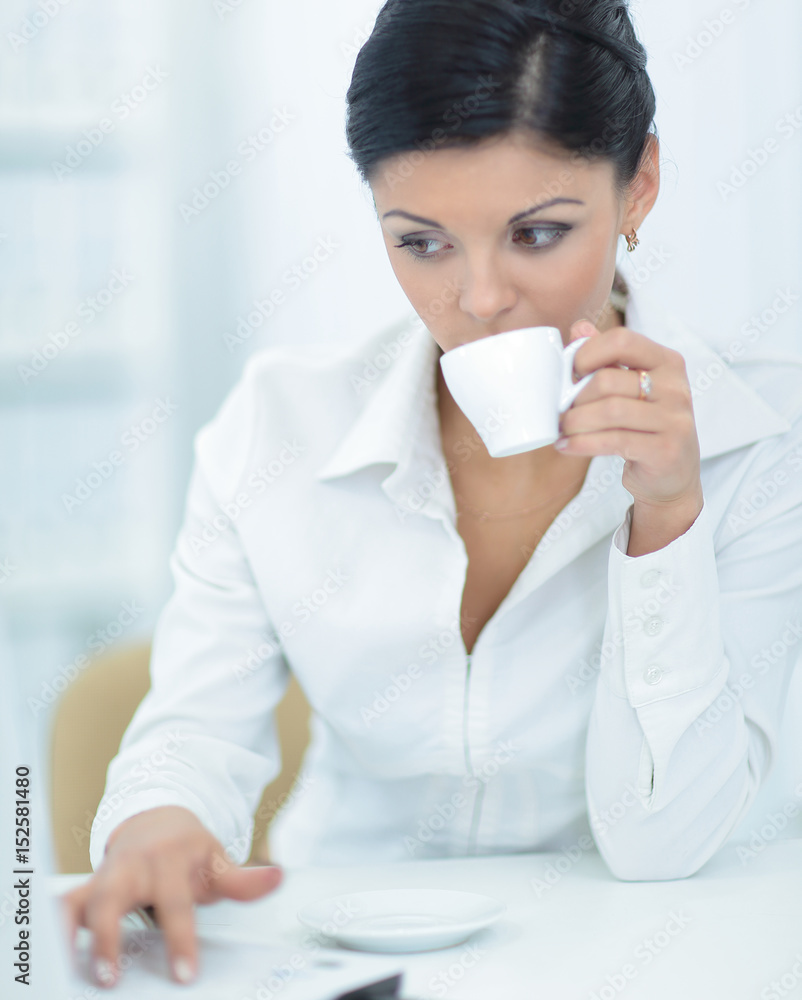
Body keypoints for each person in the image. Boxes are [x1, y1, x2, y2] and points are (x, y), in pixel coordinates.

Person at [62, 0, 802, 989]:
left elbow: (664, 842)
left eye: (538, 233)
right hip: (337, 955)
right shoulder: (278, 430)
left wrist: (668, 517)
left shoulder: (761, 434)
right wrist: (160, 819)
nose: (481, 298)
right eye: (422, 243)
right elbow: (194, 729)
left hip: (648, 960)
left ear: (640, 185)